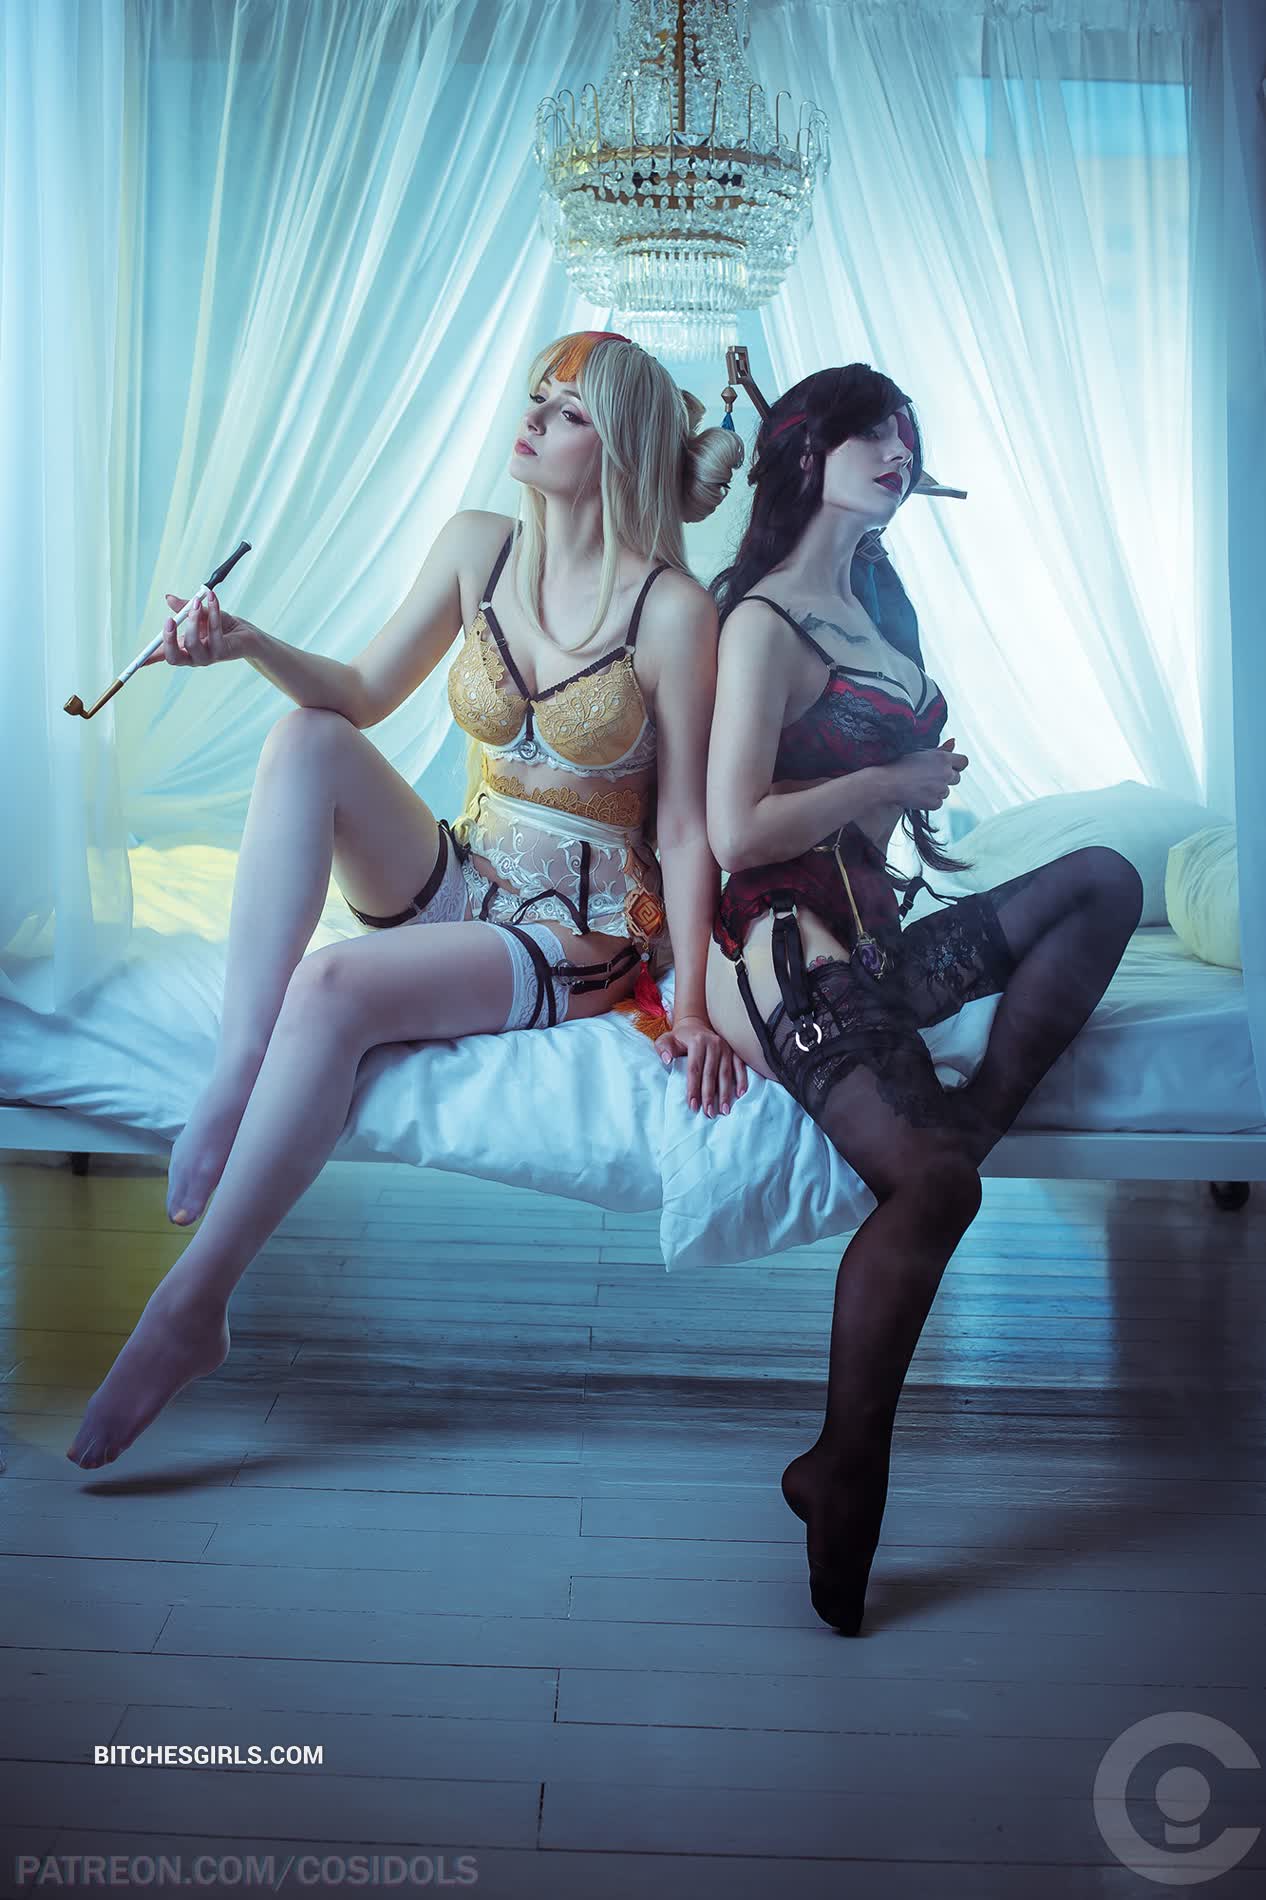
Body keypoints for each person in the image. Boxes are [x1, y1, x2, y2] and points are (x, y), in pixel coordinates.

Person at [67, 330, 746, 1470]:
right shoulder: (478, 546)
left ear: (621, 447)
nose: (531, 420)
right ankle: (239, 1068)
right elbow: (360, 693)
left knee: (332, 987)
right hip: (462, 873)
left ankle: (193, 1305)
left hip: (570, 931)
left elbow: (681, 830)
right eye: (534, 398)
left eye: (567, 412)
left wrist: (689, 1006)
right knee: (306, 738)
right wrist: (242, 643)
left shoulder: (674, 611)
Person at [704, 363, 1144, 1635]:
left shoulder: (874, 605)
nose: (899, 450)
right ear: (809, 451)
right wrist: (889, 781)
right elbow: (736, 830)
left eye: (908, 433)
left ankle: (967, 1118)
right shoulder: (762, 625)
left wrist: (900, 791)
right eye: (873, 432)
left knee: (1104, 880)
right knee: (940, 1190)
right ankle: (843, 1470)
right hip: (781, 938)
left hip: (876, 941)